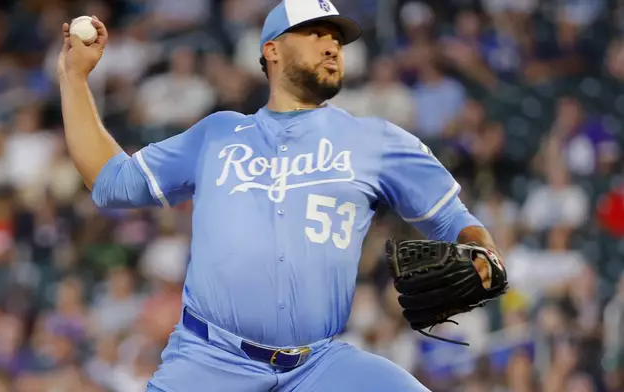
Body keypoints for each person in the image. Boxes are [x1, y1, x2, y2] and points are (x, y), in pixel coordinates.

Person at [57, 0, 499, 391]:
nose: (331, 46)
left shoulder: (377, 140)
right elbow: (111, 182)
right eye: (314, 34)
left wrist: (481, 253)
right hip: (209, 363)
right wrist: (74, 77)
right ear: (271, 49)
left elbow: (453, 221)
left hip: (320, 366)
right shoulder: (219, 134)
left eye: (336, 40)